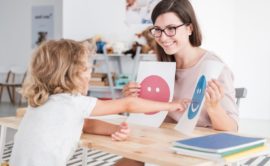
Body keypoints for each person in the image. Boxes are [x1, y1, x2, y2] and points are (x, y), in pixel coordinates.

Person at [9, 39, 188, 166]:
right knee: (134, 161)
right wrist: (171, 105)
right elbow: (128, 104)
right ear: (70, 74)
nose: (90, 73)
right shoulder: (73, 103)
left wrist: (115, 129)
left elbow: (85, 124)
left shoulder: (41, 103)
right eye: (86, 68)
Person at [117, 0, 238, 165]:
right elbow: (149, 115)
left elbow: (232, 130)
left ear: (189, 28)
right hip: (160, 143)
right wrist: (133, 98)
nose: (163, 37)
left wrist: (214, 107)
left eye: (171, 29)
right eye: (157, 30)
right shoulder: (160, 66)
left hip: (198, 150)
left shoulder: (215, 68)